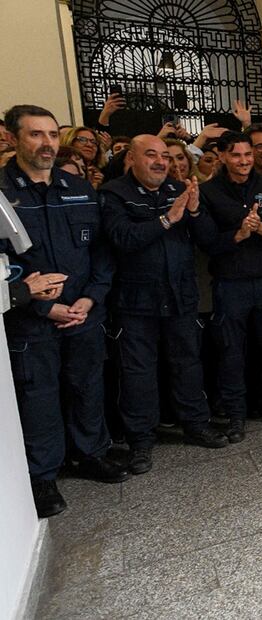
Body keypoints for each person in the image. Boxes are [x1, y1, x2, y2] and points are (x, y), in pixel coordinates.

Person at [1, 104, 127, 518]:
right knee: (39, 397)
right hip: (32, 321)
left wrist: (91, 297)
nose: (47, 144)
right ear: (14, 137)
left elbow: (101, 252)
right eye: (36, 135)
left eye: (53, 135)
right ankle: (42, 476)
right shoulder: (3, 194)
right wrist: (45, 308)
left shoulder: (78, 188)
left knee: (87, 385)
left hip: (83, 312)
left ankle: (90, 454)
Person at [100, 135, 228, 474]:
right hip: (136, 301)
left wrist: (196, 210)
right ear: (132, 157)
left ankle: (196, 424)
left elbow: (208, 240)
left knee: (188, 362)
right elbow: (122, 238)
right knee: (138, 372)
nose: (160, 162)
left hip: (180, 296)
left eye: (164, 157)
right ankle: (141, 440)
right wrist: (166, 220)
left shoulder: (178, 190)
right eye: (151, 155)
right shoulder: (115, 194)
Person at [194, 131, 262, 442]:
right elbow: (207, 242)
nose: (243, 161)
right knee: (231, 352)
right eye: (236, 155)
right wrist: (237, 236)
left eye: (247, 155)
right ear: (223, 156)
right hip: (231, 283)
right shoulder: (210, 192)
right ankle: (236, 414)